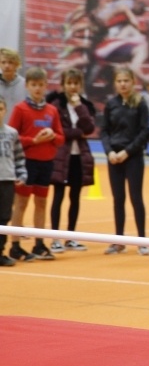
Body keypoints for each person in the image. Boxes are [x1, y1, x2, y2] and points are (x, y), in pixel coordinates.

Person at [7, 67, 65, 262]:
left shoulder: (52, 110)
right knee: (21, 203)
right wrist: (33, 141)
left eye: (41, 85)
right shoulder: (20, 109)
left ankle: (39, 244)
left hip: (46, 163)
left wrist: (52, 135)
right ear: (27, 86)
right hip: (26, 162)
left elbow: (61, 138)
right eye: (34, 85)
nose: (38, 89)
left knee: (41, 203)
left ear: (46, 86)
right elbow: (11, 137)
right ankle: (15, 245)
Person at [100, 67, 149, 255]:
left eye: (126, 80)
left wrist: (127, 152)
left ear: (133, 82)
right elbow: (104, 131)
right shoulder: (111, 104)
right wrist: (109, 152)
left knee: (136, 198)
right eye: (119, 81)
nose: (123, 84)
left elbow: (145, 131)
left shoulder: (140, 103)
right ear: (115, 83)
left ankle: (142, 241)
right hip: (114, 158)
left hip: (133, 157)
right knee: (118, 199)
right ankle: (119, 241)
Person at [46, 69, 96, 254]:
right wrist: (78, 133)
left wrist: (78, 107)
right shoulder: (55, 105)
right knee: (58, 196)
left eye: (76, 83)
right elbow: (59, 131)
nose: (72, 87)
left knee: (75, 197)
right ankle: (55, 238)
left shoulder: (84, 105)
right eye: (69, 83)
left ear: (80, 85)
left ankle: (70, 236)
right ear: (63, 85)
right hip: (61, 156)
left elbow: (89, 128)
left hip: (79, 157)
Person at [0, 98, 27, 266]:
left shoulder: (12, 133)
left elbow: (19, 156)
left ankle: (0, 251)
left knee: (4, 217)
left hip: (7, 180)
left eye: (0, 109)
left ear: (5, 110)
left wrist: (21, 174)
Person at [0, 48, 26, 123]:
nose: (6, 66)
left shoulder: (25, 85)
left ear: (17, 64)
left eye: (10, 62)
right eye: (3, 62)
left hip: (17, 128)